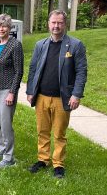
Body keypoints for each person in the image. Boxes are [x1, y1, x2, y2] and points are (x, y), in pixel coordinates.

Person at [26, 10, 87, 178]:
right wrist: (31, 90)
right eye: (53, 22)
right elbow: (33, 69)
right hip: (42, 96)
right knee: (42, 131)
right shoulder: (41, 45)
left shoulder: (75, 45)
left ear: (64, 24)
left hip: (63, 97)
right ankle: (42, 159)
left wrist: (76, 95)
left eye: (59, 23)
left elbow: (81, 72)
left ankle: (58, 164)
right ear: (48, 23)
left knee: (59, 133)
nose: (56, 26)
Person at [0, 14, 24, 168]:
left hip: (7, 90)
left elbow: (19, 71)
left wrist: (12, 92)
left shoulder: (15, 45)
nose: (1, 29)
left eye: (4, 26)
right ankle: (1, 149)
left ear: (10, 28)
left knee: (6, 124)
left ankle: (9, 157)